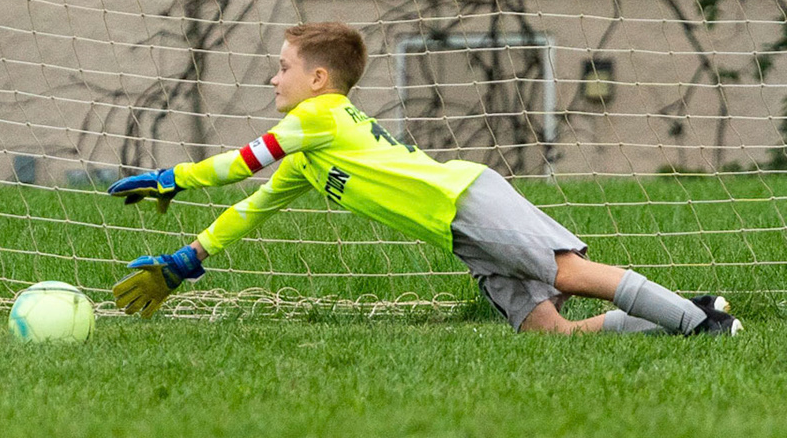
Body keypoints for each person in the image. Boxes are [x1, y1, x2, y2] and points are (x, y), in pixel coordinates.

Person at [110, 21, 741, 336]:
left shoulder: (316, 118)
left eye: (281, 68)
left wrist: (171, 178)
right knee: (552, 333)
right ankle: (695, 309)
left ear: (319, 81)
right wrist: (186, 261)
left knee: (570, 274)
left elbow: (238, 165)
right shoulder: (308, 152)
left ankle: (698, 326)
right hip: (457, 232)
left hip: (464, 198)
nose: (273, 79)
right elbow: (252, 205)